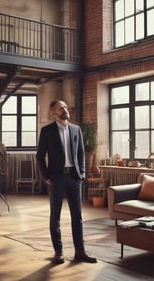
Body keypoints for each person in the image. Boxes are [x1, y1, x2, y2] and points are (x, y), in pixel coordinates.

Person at [36, 100, 97, 265]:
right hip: (56, 179)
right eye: (60, 108)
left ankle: (80, 251)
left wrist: (82, 173)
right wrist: (46, 176)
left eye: (65, 106)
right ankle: (58, 252)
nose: (65, 109)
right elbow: (40, 156)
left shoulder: (76, 129)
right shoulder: (47, 131)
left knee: (77, 216)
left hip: (74, 177)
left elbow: (81, 153)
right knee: (55, 216)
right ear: (54, 113)